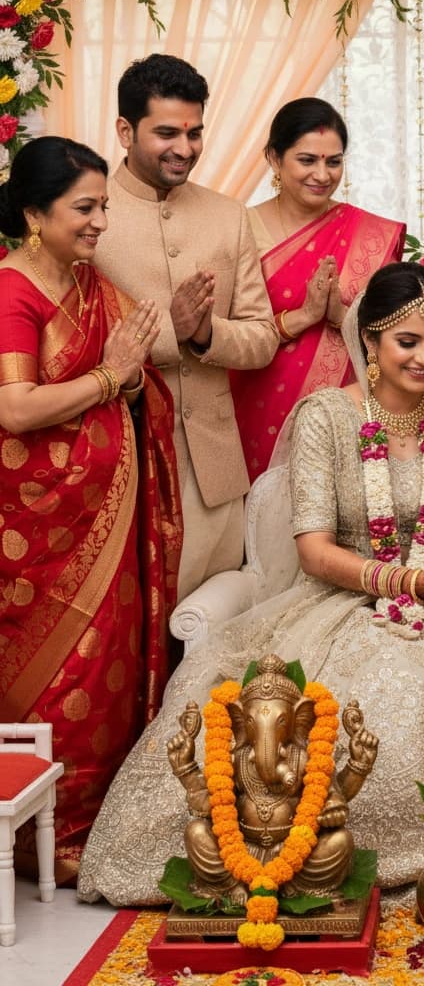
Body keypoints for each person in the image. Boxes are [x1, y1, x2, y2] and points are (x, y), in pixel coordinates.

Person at [77, 262, 424, 907]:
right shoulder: (327, 419)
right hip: (340, 602)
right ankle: (311, 863)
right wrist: (411, 580)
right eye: (408, 342)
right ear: (370, 342)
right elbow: (312, 552)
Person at [0, 137, 182, 884]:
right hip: (37, 531)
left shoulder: (88, 282)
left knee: (106, 660)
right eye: (86, 207)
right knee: (53, 669)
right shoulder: (12, 292)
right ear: (36, 214)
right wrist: (112, 379)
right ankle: (42, 830)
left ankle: (91, 822)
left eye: (104, 204)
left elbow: (131, 382)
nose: (102, 220)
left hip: (105, 518)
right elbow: (15, 410)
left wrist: (131, 383)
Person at [93, 53, 277, 600]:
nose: (185, 148)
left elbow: (262, 337)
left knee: (210, 624)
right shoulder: (87, 214)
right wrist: (170, 332)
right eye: (167, 132)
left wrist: (203, 334)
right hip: (121, 461)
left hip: (212, 471)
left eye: (195, 132)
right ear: (125, 130)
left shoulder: (227, 215)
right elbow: (72, 344)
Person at [231, 98, 405, 480]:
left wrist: (340, 316)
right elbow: (226, 332)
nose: (322, 174)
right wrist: (304, 316)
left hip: (342, 409)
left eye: (334, 161)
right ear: (275, 159)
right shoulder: (239, 228)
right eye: (307, 160)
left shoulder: (369, 236)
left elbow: (396, 334)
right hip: (255, 405)